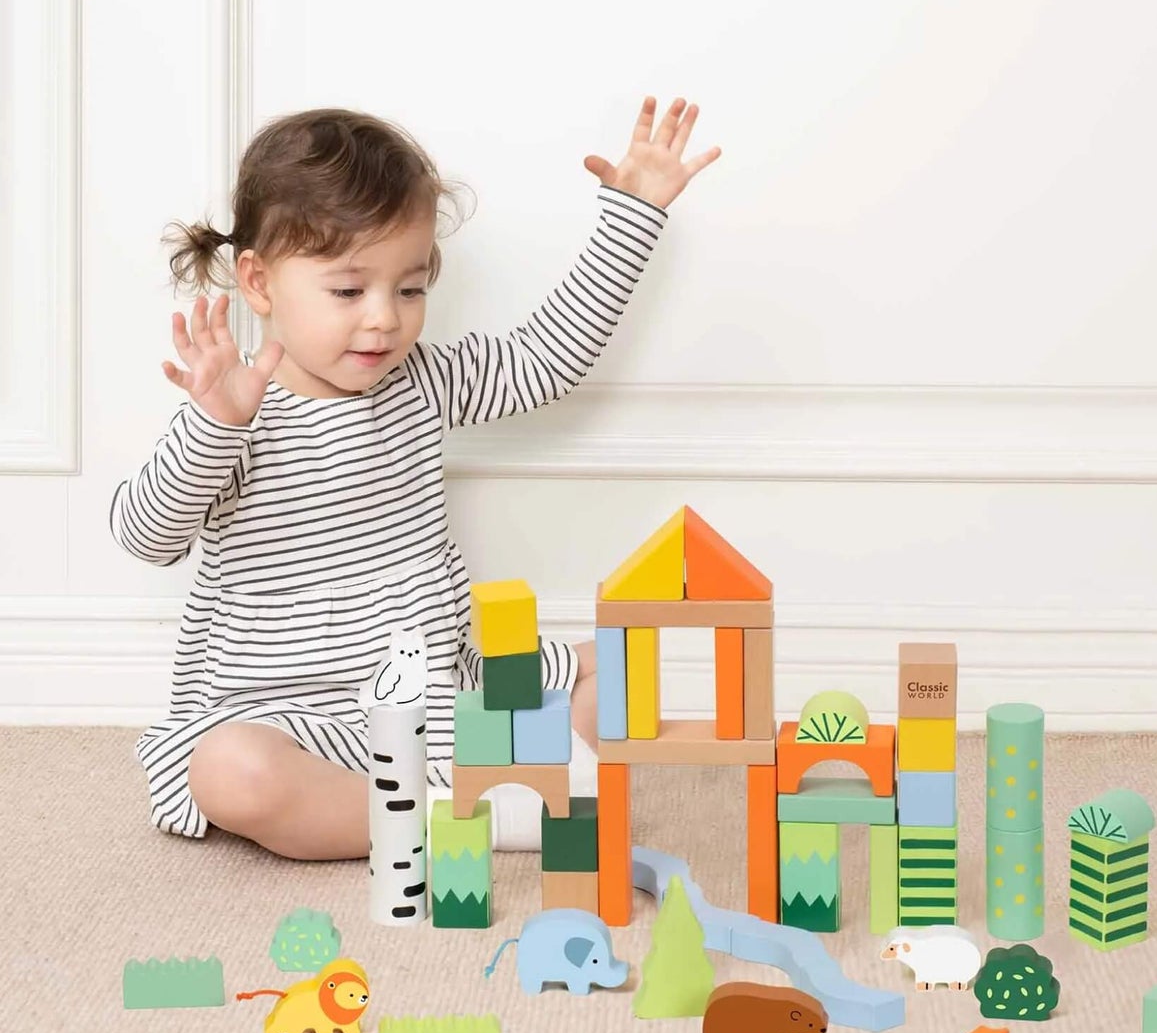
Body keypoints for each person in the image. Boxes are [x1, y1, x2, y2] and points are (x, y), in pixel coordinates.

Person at [111, 99, 720, 858]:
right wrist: (215, 427)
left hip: (436, 697)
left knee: (628, 674)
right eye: (347, 290)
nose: (383, 320)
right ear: (260, 283)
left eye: (409, 288)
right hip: (288, 717)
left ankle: (466, 784)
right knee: (231, 773)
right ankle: (451, 817)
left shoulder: (423, 382)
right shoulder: (235, 407)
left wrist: (631, 214)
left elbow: (548, 358)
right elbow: (144, 535)